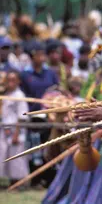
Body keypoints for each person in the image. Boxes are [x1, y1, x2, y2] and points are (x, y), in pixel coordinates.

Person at [20, 40, 59, 188]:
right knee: (34, 147)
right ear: (32, 57)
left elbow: (57, 90)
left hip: (50, 116)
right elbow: (22, 95)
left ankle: (49, 179)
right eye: (39, 55)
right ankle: (36, 179)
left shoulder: (50, 73)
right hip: (33, 117)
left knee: (49, 147)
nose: (42, 58)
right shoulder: (25, 75)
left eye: (43, 54)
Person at [0, 70, 29, 186]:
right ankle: (7, 180)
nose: (10, 83)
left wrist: (16, 134)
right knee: (3, 154)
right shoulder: (5, 94)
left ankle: (18, 182)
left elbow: (22, 116)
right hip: (4, 129)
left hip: (15, 129)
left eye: (13, 80)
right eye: (9, 80)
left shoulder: (19, 95)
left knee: (16, 157)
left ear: (18, 81)